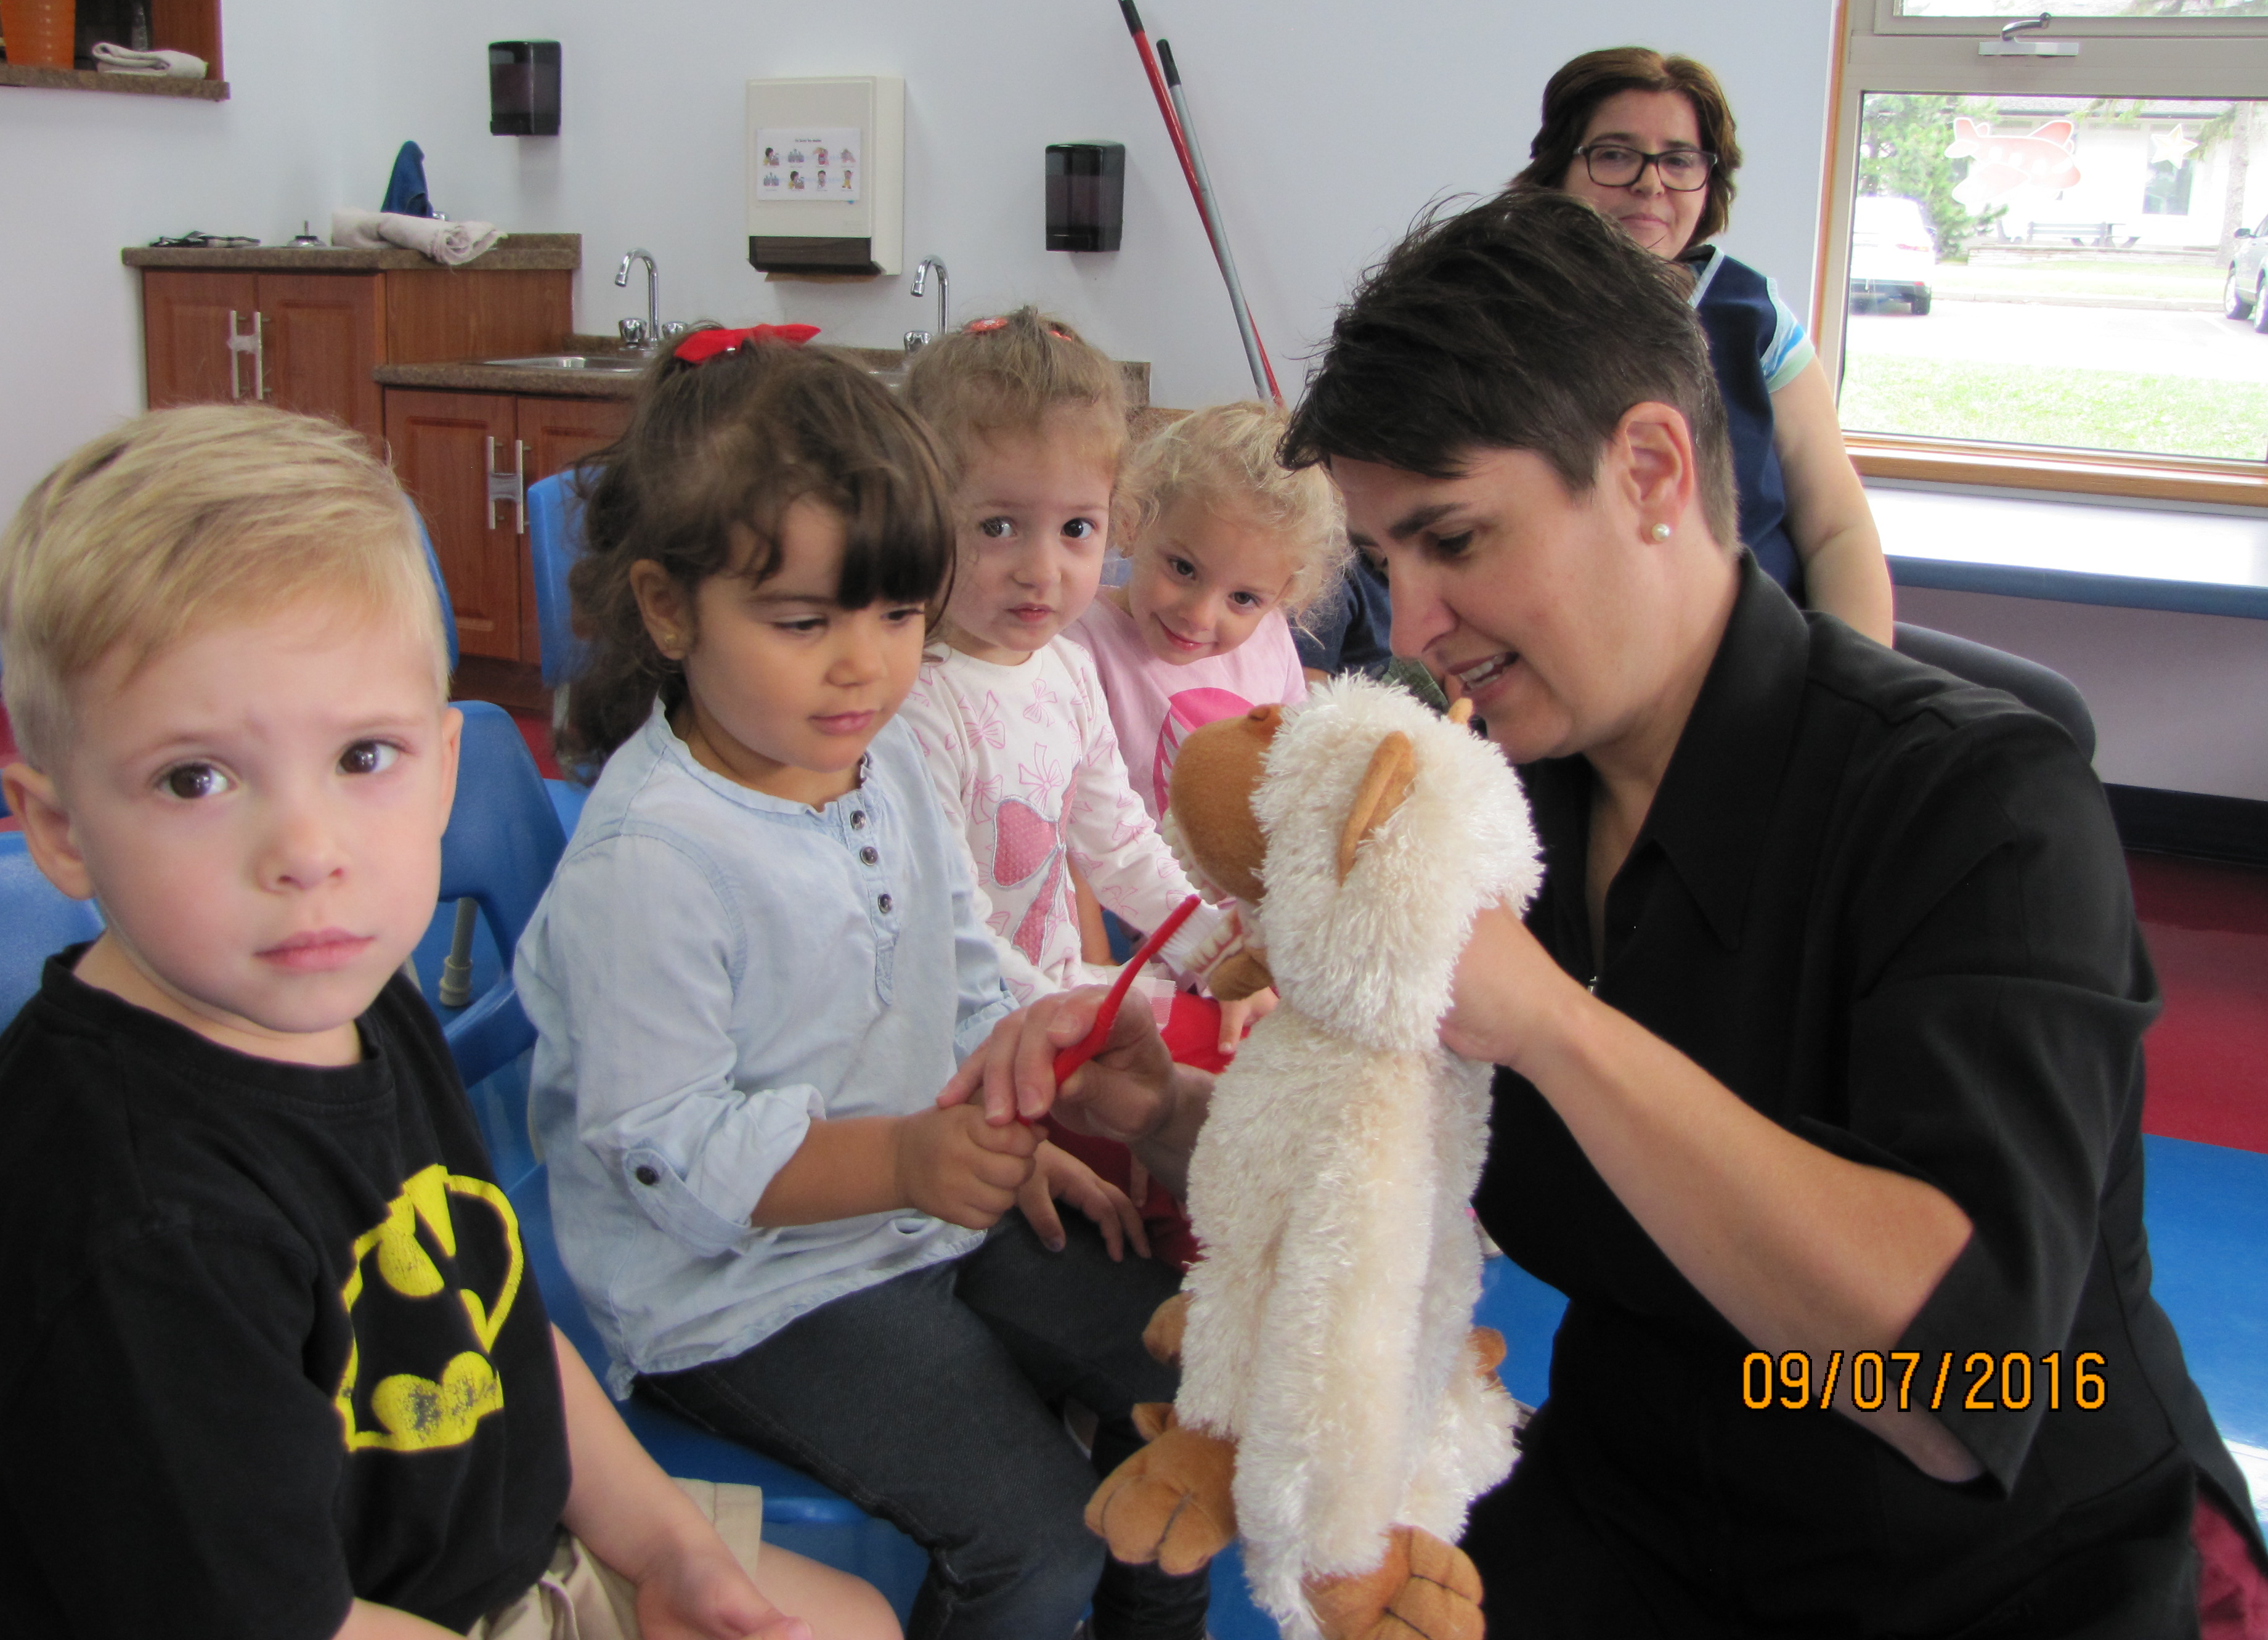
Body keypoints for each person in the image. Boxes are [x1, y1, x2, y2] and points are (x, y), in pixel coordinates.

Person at [948, 192, 2268, 1638]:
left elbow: (1955, 1391)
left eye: (1455, 539)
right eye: (1387, 563)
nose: (1413, 624)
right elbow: (1383, 1158)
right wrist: (1165, 1113)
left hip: (1988, 1576)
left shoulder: (1978, 808)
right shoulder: (1502, 809)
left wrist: (1551, 1024)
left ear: (1647, 468)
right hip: (1637, 1507)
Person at [0, 405, 890, 1640]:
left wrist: (668, 1550)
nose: (307, 852)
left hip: (479, 1555)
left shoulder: (352, 994)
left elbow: (491, 1320)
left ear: (441, 769)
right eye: (195, 779)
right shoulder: (140, 1226)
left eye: (362, 758)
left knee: (854, 1621)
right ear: (59, 830)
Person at [514, 327, 1211, 1640]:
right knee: (1037, 1543)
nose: (867, 664)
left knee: (1189, 1386)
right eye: (804, 621)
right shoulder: (650, 862)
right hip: (744, 1293)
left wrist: (1026, 1075)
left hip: (920, 1213)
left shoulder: (874, 757)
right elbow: (669, 1150)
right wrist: (904, 1162)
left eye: (898, 614)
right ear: (667, 609)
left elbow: (956, 963)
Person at [893, 308, 1248, 1018]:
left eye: (1076, 528)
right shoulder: (912, 703)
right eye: (998, 526)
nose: (1042, 570)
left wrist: (1218, 956)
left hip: (1054, 998)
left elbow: (1119, 843)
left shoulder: (1067, 669)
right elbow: (950, 935)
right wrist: (1073, 1018)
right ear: (919, 512)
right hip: (970, 1031)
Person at [1512, 45, 1896, 644]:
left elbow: (1837, 529)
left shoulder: (1752, 317)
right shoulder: (1498, 316)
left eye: (1679, 160)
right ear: (1559, 168)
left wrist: (1857, 680)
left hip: (1766, 649)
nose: (1649, 183)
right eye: (1614, 155)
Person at [1068, 398, 1344, 825]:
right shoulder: (1079, 643)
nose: (1199, 616)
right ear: (1135, 522)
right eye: (1183, 568)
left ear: (1282, 596)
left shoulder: (1270, 637)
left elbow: (1292, 768)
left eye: (1243, 599)